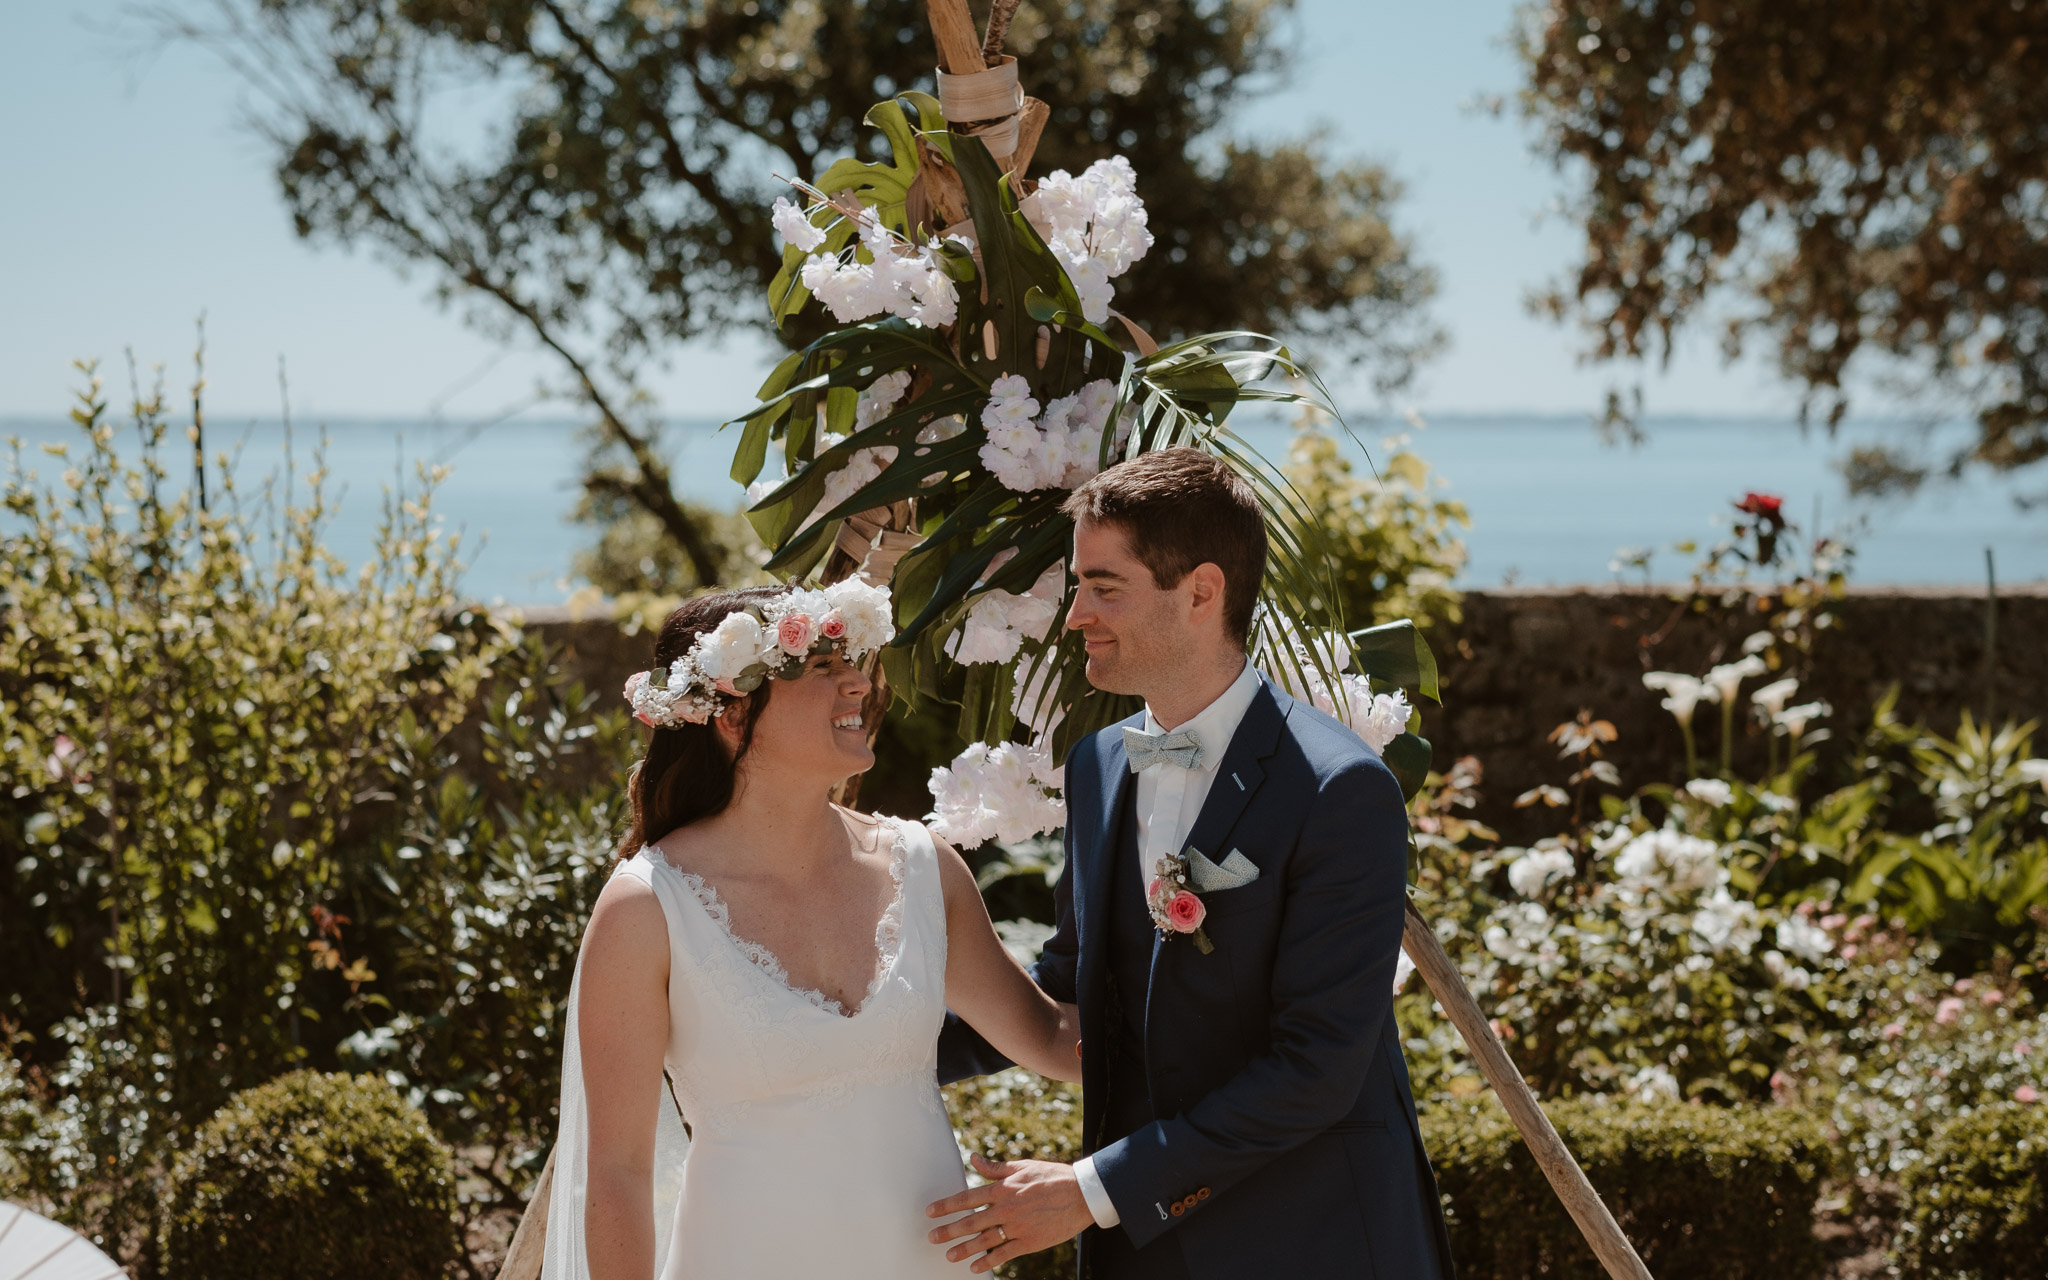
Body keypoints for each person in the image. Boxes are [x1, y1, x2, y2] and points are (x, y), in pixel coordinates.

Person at [927, 448, 1455, 1278]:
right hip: (1146, 1254)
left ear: (1202, 592)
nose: (1076, 616)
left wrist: (1093, 1191)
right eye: (1079, 587)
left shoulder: (1340, 788)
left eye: (1105, 587)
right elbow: (1074, 982)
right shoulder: (1100, 764)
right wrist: (869, 1042)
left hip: (1314, 1244)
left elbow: (1316, 1068)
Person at [544, 580, 1081, 1280]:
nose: (859, 683)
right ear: (734, 716)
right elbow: (615, 1175)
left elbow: (1051, 1038)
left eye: (854, 661)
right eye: (823, 668)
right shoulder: (647, 909)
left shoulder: (925, 870)